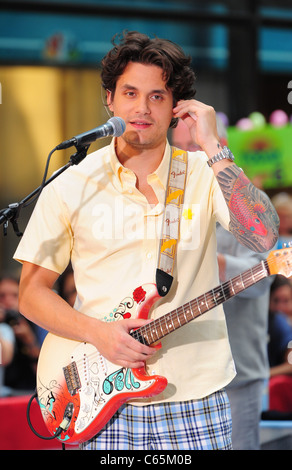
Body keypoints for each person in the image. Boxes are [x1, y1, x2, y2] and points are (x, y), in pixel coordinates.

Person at [14, 31, 279, 450]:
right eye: (130, 93)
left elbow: (263, 235)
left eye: (157, 96)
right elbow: (30, 294)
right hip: (98, 400)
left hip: (196, 398)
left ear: (177, 107)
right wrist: (98, 333)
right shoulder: (71, 183)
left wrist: (213, 145)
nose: (141, 108)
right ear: (110, 99)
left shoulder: (201, 172)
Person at [173, 114, 274, 450]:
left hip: (237, 374)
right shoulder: (170, 204)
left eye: (197, 146)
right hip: (181, 376)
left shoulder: (245, 200)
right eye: (183, 148)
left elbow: (261, 281)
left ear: (220, 148)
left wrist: (211, 263)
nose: (190, 155)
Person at [268, 276, 292, 413]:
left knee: (277, 385)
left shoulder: (281, 324)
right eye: (276, 300)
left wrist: (262, 374)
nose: (281, 307)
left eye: (286, 301)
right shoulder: (270, 322)